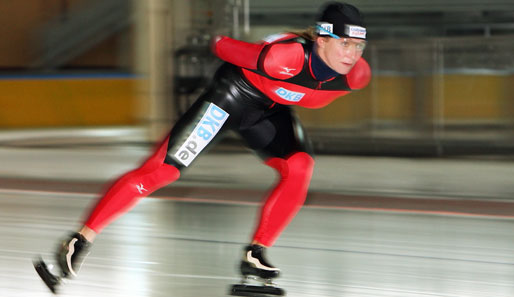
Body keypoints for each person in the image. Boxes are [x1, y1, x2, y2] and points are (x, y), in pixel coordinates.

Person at [34, 1, 371, 294]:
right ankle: (80, 239)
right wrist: (241, 47)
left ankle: (256, 254)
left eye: (359, 46)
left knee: (299, 166)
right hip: (230, 99)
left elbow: (298, 92)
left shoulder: (356, 75)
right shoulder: (285, 57)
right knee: (161, 171)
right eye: (345, 44)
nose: (352, 54)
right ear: (321, 38)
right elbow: (223, 46)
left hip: (267, 111)